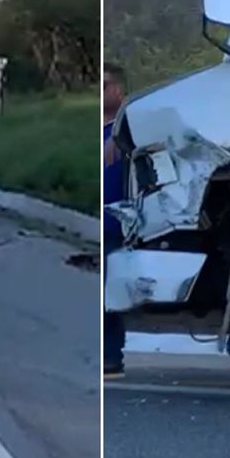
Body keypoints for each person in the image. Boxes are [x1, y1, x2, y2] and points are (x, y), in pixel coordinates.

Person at [103, 63, 128, 379]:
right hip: (102, 221)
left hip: (118, 224)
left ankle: (111, 358)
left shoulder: (126, 131)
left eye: (106, 85)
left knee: (109, 299)